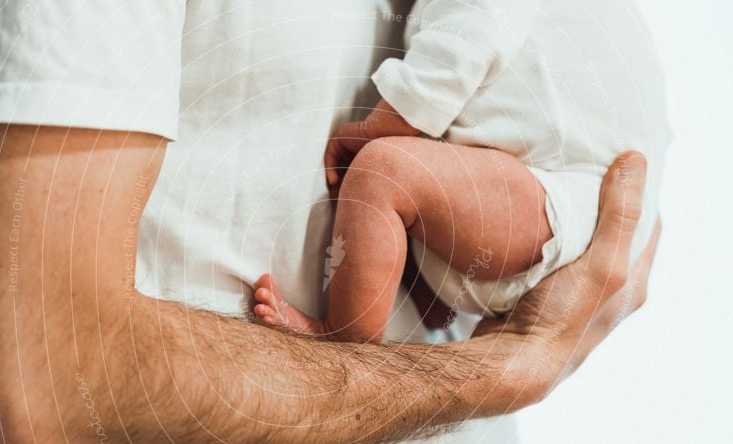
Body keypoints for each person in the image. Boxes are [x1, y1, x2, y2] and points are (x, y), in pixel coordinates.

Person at [0, 1, 663, 444]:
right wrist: (501, 371)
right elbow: (40, 401)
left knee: (384, 172)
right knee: (384, 173)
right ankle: (345, 326)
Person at [255, 0, 667, 342]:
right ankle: (427, 295)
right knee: (418, 186)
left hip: (556, 205)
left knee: (383, 172)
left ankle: (345, 340)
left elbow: (467, 38)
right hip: (564, 219)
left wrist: (379, 125)